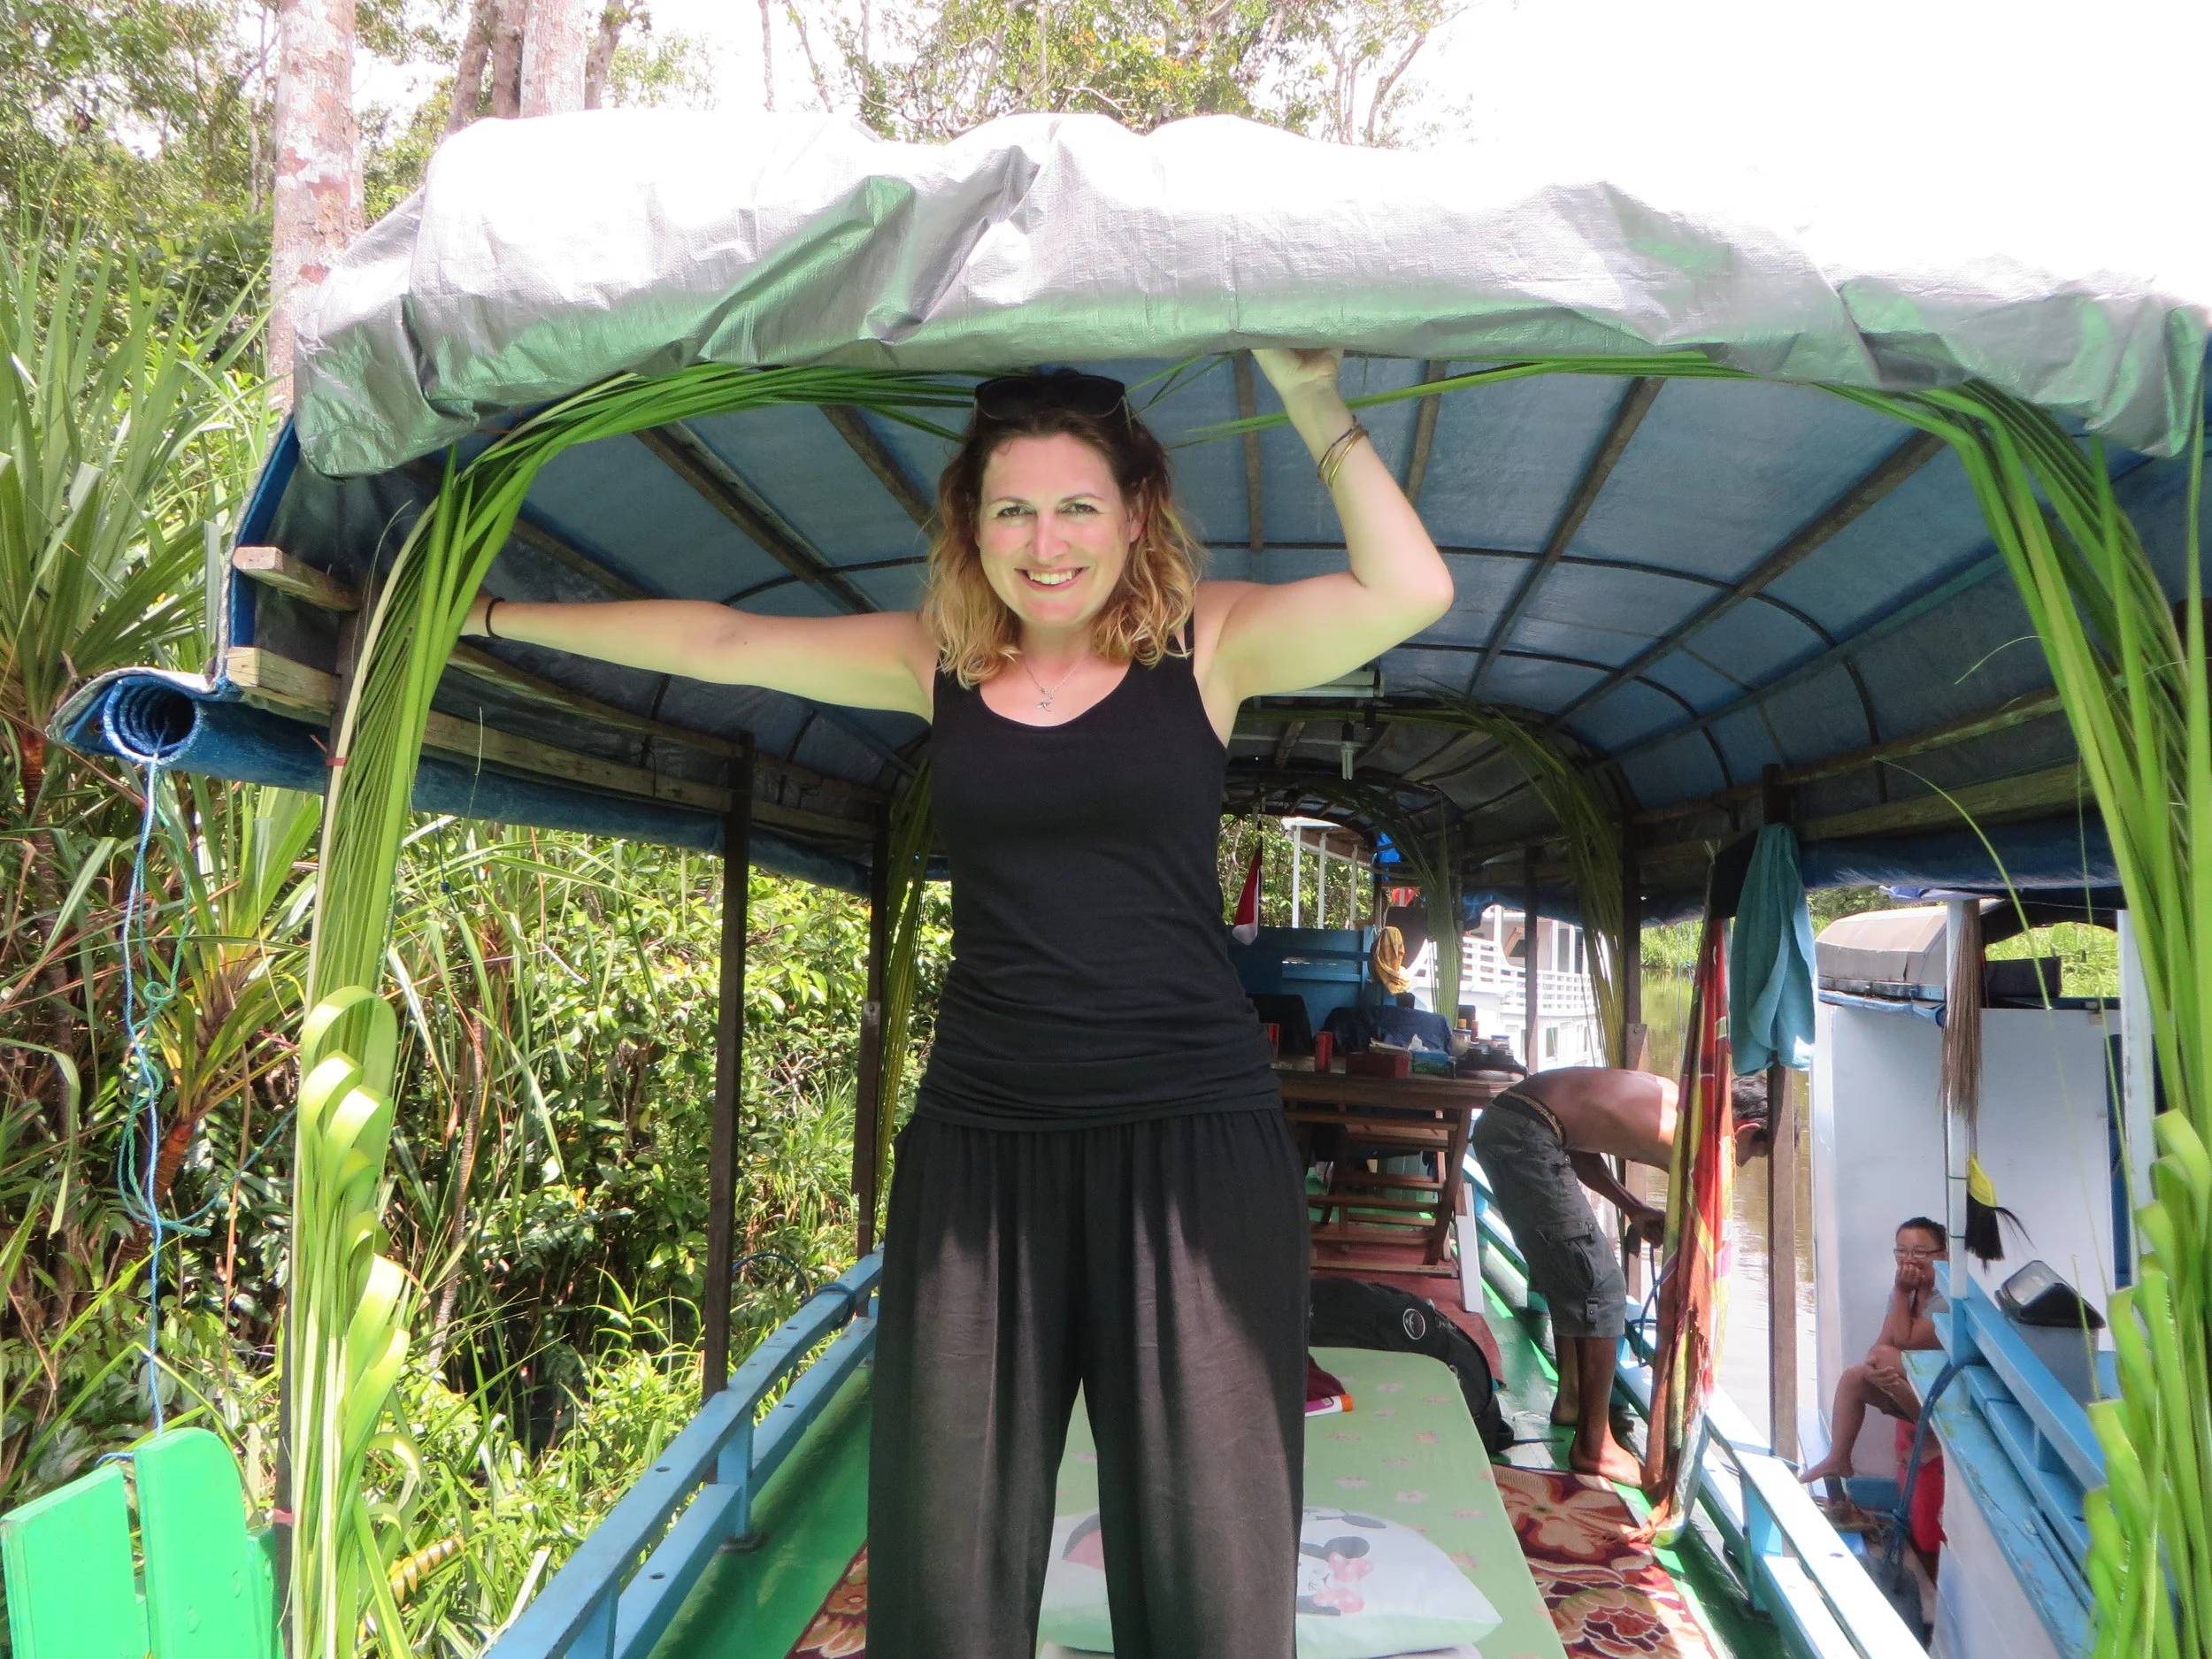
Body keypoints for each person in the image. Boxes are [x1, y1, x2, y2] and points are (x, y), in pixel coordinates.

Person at [453, 352, 1452, 1659]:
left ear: (1137, 512)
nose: (1047, 545)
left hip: (1194, 1148)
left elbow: (1410, 587)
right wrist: (488, 621)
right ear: (970, 525)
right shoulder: (936, 660)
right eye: (1013, 510)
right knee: (946, 1560)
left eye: (1079, 507)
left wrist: (1313, 394)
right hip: (984, 1149)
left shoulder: (1208, 641)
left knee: (1214, 1559)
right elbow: (723, 639)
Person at [1470, 1065, 1771, 1482]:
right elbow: (1700, 1243)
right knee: (1601, 1286)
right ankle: (1595, 1447)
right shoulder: (1693, 1138)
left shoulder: (1675, 1098)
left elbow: (1577, 1143)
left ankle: (1573, 1398)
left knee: (1569, 1267)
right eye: (1753, 1153)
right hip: (1527, 1133)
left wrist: (1633, 1207)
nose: (1745, 1164)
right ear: (1745, 1130)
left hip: (1515, 1121)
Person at [1798, 1217, 1947, 1486]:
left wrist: (1901, 1292)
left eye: (1920, 1252)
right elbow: (1882, 1343)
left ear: (1944, 1256)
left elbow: (1906, 1340)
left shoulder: (1945, 1299)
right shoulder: (1905, 1294)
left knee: (1880, 1360)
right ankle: (1838, 1457)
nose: (1909, 1260)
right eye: (1901, 1251)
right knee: (1854, 1377)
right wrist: (1870, 1369)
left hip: (1950, 1395)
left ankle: (1937, 1439)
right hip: (1919, 1389)